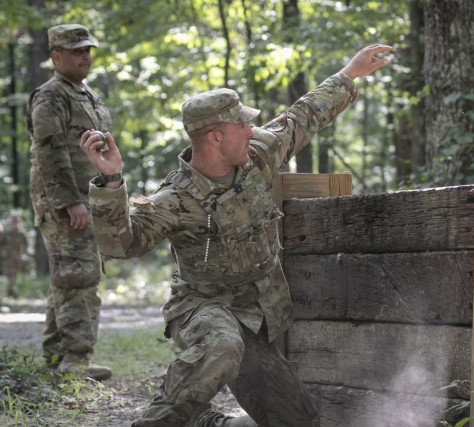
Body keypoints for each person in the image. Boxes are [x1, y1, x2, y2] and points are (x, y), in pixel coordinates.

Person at [81, 44, 392, 427]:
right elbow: (120, 245)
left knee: (296, 421)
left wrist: (350, 73)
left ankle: (207, 422)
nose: (251, 129)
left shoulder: (258, 153)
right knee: (224, 345)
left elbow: (303, 115)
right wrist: (111, 181)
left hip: (256, 317)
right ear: (214, 137)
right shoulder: (175, 197)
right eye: (241, 125)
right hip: (202, 309)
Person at [26, 24, 112, 381]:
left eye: (87, 50)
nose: (85, 57)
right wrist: (70, 202)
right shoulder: (50, 96)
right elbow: (50, 154)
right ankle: (76, 361)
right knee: (79, 276)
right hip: (65, 202)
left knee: (67, 276)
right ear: (56, 56)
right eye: (76, 51)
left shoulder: (87, 94)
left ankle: (56, 358)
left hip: (87, 197)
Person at [1, 214, 29, 298]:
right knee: (9, 275)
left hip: (17, 258)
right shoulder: (7, 233)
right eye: (13, 222)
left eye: (16, 222)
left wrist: (25, 254)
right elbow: (1, 242)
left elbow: (26, 244)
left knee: (14, 275)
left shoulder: (22, 233)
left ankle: (11, 292)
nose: (14, 224)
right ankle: (11, 293)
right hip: (7, 259)